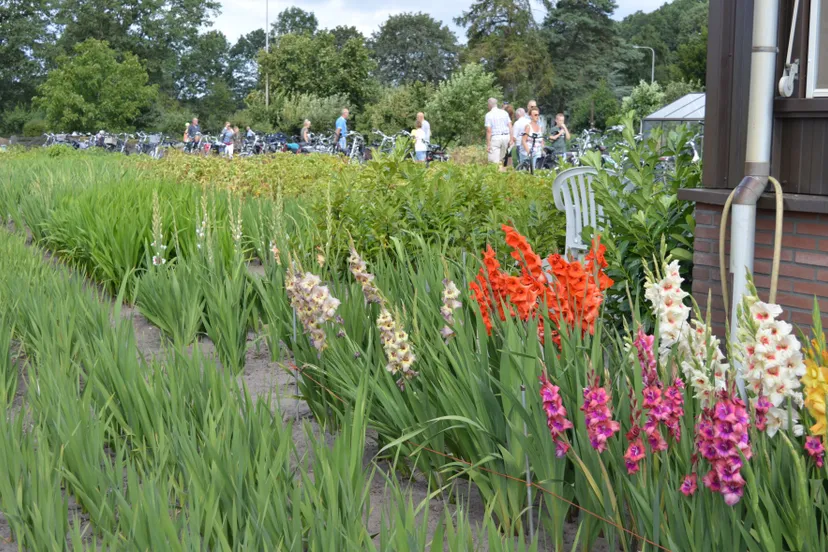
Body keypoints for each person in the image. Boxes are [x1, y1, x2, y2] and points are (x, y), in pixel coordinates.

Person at [484, 98, 512, 170]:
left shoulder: (488, 115)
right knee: (501, 160)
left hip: (496, 138)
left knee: (493, 162)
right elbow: (510, 126)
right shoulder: (504, 113)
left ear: (489, 105)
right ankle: (502, 174)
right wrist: (511, 139)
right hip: (506, 137)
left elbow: (489, 131)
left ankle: (496, 176)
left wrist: (488, 145)